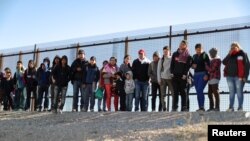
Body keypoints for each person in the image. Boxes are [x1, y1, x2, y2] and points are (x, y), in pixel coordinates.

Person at [223, 42, 250, 111]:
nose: (233, 48)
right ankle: (231, 107)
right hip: (229, 77)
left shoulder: (243, 54)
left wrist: (245, 76)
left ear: (238, 47)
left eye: (235, 47)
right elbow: (224, 62)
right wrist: (229, 54)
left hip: (238, 77)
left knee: (239, 91)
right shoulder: (230, 55)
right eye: (232, 47)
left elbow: (247, 66)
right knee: (231, 92)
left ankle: (240, 107)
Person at [170, 40, 192, 112]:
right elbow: (172, 64)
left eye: (183, 44)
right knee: (175, 91)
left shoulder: (188, 55)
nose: (181, 45)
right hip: (175, 76)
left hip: (183, 76)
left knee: (183, 92)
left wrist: (185, 74)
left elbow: (187, 66)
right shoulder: (174, 54)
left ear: (186, 46)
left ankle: (184, 107)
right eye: (181, 44)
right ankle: (175, 107)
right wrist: (171, 72)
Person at [192, 43, 210, 112]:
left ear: (202, 49)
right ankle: (200, 107)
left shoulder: (205, 55)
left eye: (200, 49)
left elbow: (208, 65)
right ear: (195, 50)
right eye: (197, 49)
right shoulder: (194, 56)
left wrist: (206, 74)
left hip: (203, 74)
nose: (198, 51)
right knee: (198, 91)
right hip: (196, 75)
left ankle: (202, 107)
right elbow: (192, 65)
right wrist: (192, 66)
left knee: (200, 89)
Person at [157, 46, 174, 112]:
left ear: (169, 51)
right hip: (163, 79)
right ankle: (164, 108)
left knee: (173, 94)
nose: (165, 52)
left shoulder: (172, 59)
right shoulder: (161, 59)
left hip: (170, 79)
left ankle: (173, 107)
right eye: (164, 51)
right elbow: (158, 70)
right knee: (163, 95)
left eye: (166, 51)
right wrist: (159, 79)